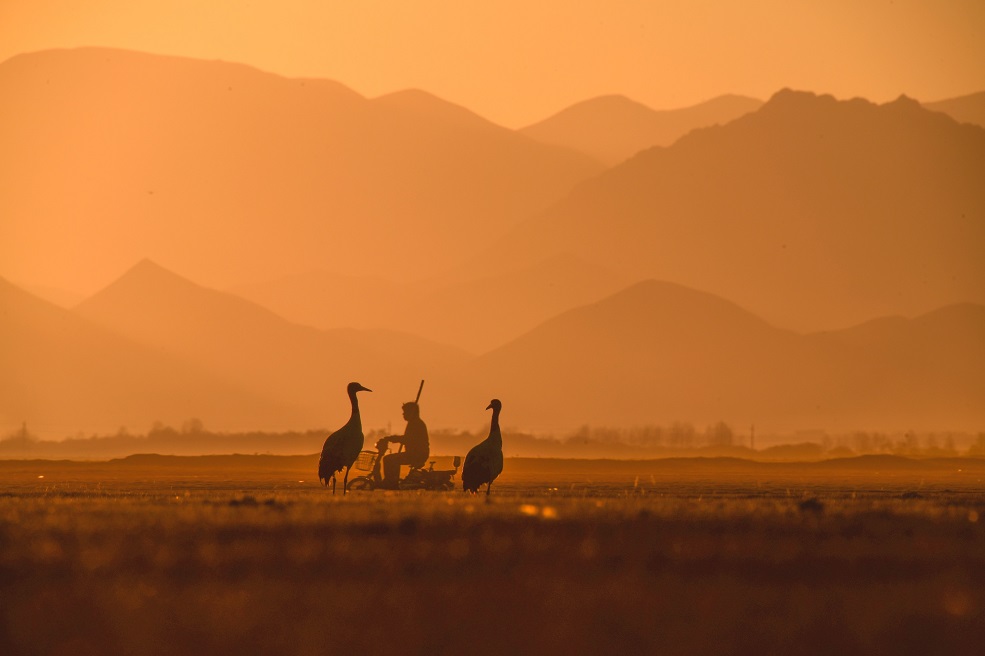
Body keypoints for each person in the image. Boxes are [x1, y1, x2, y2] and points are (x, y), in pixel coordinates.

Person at [381, 401, 429, 489]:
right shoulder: (413, 423)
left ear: (412, 413)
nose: (403, 414)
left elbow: (408, 439)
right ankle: (391, 481)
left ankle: (391, 482)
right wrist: (393, 438)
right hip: (414, 453)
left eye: (405, 412)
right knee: (392, 459)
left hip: (416, 454)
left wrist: (392, 439)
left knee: (389, 459)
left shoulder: (416, 424)